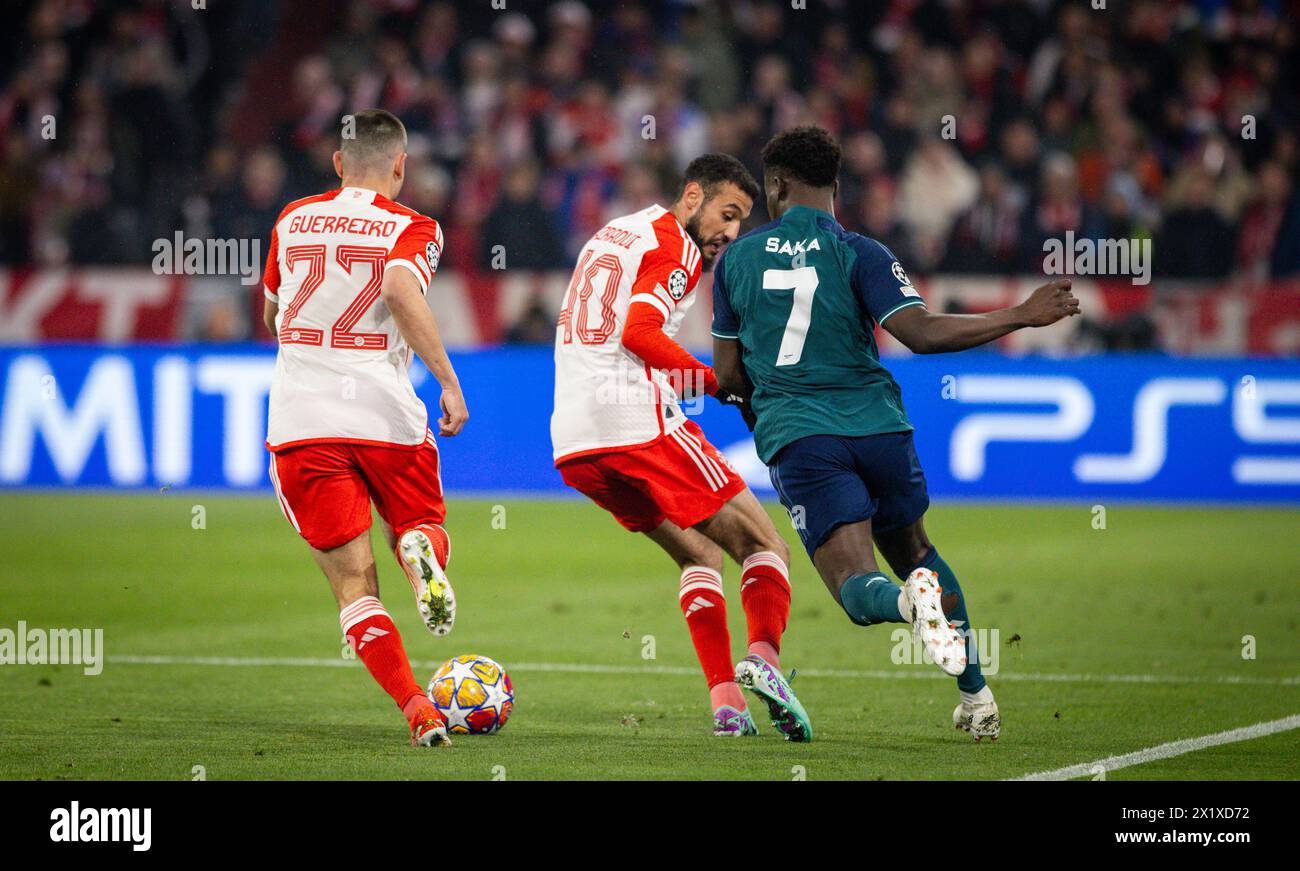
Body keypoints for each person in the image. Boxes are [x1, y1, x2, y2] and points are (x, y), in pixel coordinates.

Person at [712, 126, 1081, 741]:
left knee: (860, 590)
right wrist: (1021, 313)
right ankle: (977, 696)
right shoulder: (863, 251)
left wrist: (762, 403)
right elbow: (923, 333)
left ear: (775, 185)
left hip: (805, 437)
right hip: (882, 427)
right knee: (917, 552)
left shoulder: (738, 260)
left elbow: (727, 377)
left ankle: (910, 605)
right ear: (834, 186)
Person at [551, 154, 811, 740]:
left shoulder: (619, 231)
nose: (730, 233)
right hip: (633, 423)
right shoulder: (676, 249)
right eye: (727, 214)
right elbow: (638, 333)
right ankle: (765, 662)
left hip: (575, 440)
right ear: (692, 196)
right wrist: (717, 383)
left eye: (741, 221)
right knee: (767, 546)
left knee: (699, 555)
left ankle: (727, 705)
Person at [262, 109, 469, 747]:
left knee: (354, 585)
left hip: (303, 419)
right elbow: (404, 293)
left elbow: (272, 313)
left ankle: (416, 708)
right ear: (401, 167)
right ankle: (421, 554)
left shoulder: (292, 219)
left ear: (336, 162)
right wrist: (449, 381)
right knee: (422, 528)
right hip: (384, 414)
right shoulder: (413, 225)